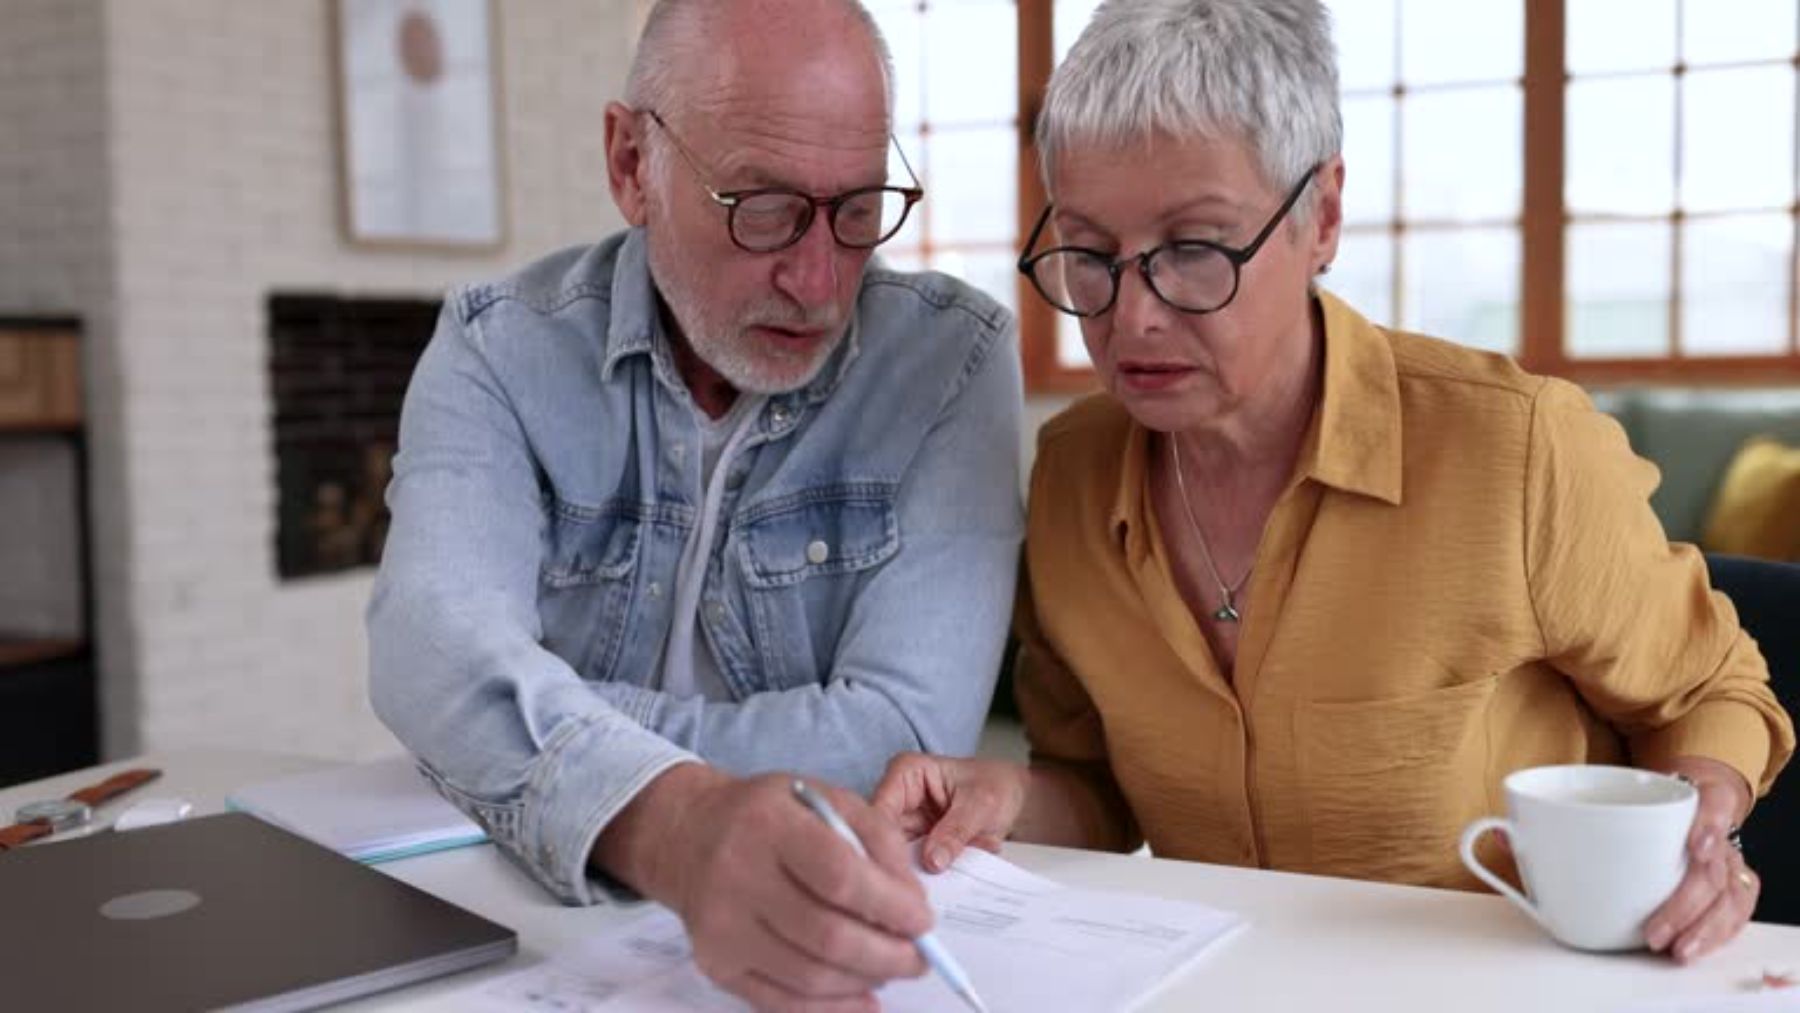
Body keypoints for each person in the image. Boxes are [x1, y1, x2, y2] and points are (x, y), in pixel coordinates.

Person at [875, 0, 1795, 967]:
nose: (1131, 316)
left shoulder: (1513, 451)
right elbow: (1097, 791)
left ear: (1321, 216)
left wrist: (1702, 835)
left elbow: (1711, 688)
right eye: (1090, 255)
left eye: (1193, 249)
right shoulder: (1072, 475)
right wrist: (1004, 798)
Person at [367, 0, 1024, 1007]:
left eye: (856, 211)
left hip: (830, 934)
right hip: (533, 932)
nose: (816, 279)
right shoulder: (499, 349)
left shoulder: (950, 360)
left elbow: (902, 738)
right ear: (632, 163)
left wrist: (543, 720)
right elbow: (426, 648)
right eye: (761, 209)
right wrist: (676, 826)